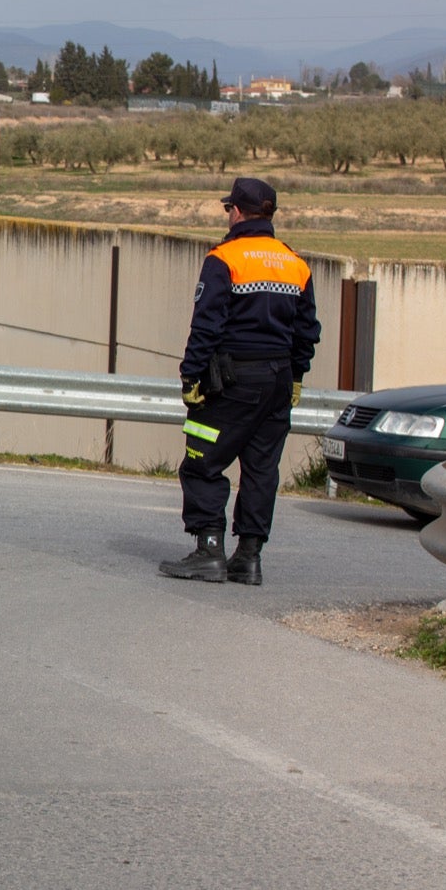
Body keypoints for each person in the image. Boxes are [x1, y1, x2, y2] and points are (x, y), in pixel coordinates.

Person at [159, 178, 321, 585]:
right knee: (262, 468)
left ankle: (209, 552)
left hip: (232, 379)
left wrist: (191, 377)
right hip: (279, 379)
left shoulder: (225, 258)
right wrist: (297, 376)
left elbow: (206, 325)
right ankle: (249, 558)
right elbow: (307, 330)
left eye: (229, 208)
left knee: (202, 461)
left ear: (236, 211)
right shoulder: (294, 263)